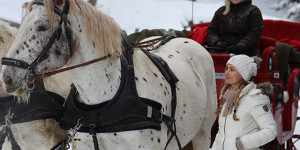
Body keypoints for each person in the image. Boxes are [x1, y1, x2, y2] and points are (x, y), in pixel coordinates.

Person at [211, 55, 277, 150]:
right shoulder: (227, 96)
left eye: (232, 70)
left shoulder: (255, 98)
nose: (226, 73)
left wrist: (242, 143)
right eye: (226, 68)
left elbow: (271, 130)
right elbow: (222, 133)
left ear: (243, 74)